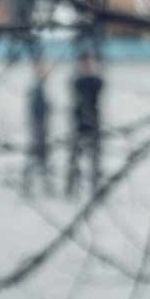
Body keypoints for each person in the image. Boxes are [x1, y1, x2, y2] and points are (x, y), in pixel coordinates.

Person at [66, 55, 104, 197]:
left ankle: (94, 187)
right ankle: (71, 188)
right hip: (79, 123)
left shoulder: (95, 81)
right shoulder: (79, 81)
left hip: (93, 123)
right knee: (75, 159)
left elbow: (97, 86)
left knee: (94, 160)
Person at [21, 61, 53, 196]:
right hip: (38, 130)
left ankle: (35, 185)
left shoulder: (40, 89)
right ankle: (31, 185)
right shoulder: (37, 90)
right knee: (37, 158)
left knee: (39, 159)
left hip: (40, 129)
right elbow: (36, 111)